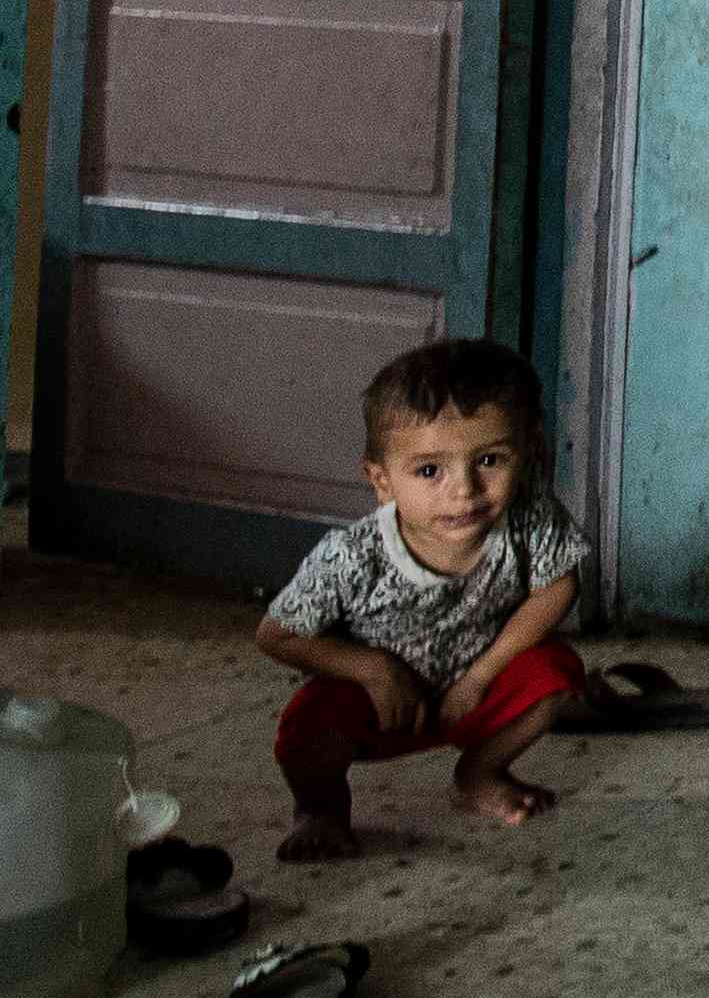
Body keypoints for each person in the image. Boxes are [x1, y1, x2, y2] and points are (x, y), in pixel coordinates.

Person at [252, 339, 593, 862]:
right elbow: (275, 634)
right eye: (430, 471)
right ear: (381, 481)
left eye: (490, 460)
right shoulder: (353, 556)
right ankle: (320, 808)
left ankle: (480, 772)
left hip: (475, 688)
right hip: (382, 705)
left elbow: (558, 588)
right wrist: (373, 671)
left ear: (529, 454)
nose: (464, 491)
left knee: (557, 672)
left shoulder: (529, 516)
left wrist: (481, 676)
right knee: (307, 723)